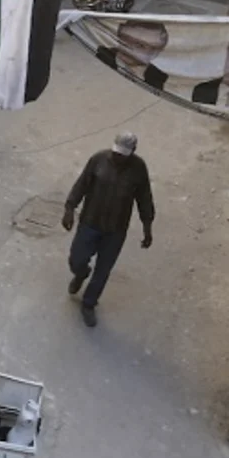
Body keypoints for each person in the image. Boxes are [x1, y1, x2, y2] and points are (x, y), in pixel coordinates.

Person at [62, 132, 155, 328]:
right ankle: (80, 273)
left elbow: (145, 199)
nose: (117, 157)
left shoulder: (138, 169)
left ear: (132, 152)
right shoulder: (98, 160)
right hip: (90, 222)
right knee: (76, 258)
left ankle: (89, 303)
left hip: (115, 230)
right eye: (116, 153)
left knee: (103, 270)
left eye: (123, 154)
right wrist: (69, 208)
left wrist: (147, 228)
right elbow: (82, 184)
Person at [96, 20, 170, 91]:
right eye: (127, 38)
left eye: (140, 45)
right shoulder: (98, 58)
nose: (130, 47)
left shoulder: (159, 79)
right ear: (119, 35)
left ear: (155, 53)